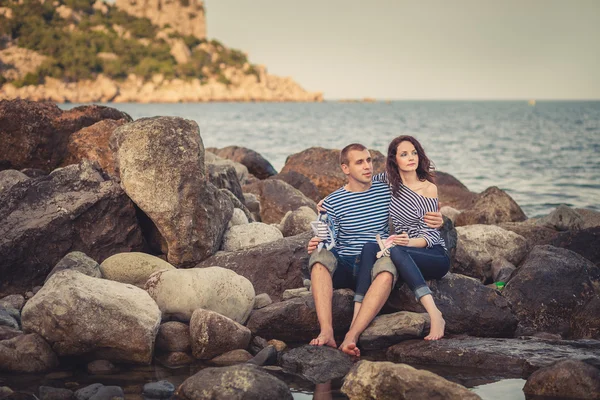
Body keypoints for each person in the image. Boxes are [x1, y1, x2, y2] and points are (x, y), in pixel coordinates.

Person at [307, 143, 443, 348]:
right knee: (318, 259)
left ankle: (352, 336)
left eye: (369, 160)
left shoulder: (386, 187)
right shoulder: (333, 202)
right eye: (359, 162)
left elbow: (416, 199)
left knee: (388, 269)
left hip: (375, 262)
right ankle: (327, 332)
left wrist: (438, 218)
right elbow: (327, 234)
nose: (367, 166)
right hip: (346, 264)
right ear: (346, 169)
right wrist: (317, 241)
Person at [338, 135, 450, 357]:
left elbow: (430, 235)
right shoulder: (388, 180)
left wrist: (409, 241)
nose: (411, 158)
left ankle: (436, 315)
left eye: (414, 153)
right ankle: (355, 323)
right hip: (403, 249)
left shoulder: (428, 189)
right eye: (404, 154)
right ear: (394, 160)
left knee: (396, 250)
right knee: (370, 247)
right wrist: (329, 200)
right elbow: (359, 181)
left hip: (432, 253)